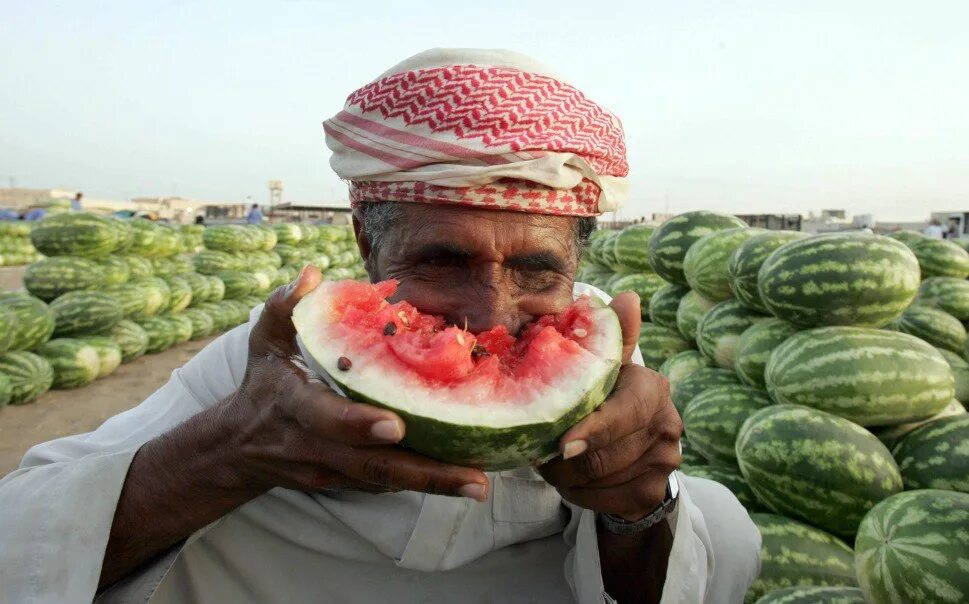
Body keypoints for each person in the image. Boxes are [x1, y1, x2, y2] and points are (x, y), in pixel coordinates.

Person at [0, 49, 760, 603]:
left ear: (576, 261)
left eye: (536, 271)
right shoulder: (267, 365)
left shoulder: (596, 362)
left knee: (717, 524)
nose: (487, 316)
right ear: (367, 244)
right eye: (440, 261)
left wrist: (637, 507)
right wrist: (232, 448)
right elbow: (25, 542)